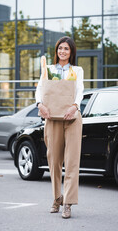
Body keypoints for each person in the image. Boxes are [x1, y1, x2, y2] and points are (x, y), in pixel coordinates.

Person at [35, 36, 84, 219]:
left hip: (72, 119)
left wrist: (75, 107)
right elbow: (40, 89)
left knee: (71, 163)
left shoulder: (77, 70)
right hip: (52, 118)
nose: (62, 51)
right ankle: (57, 198)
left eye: (66, 49)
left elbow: (80, 89)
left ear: (71, 52)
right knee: (54, 162)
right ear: (56, 51)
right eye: (60, 48)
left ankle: (68, 204)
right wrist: (40, 104)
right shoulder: (48, 70)